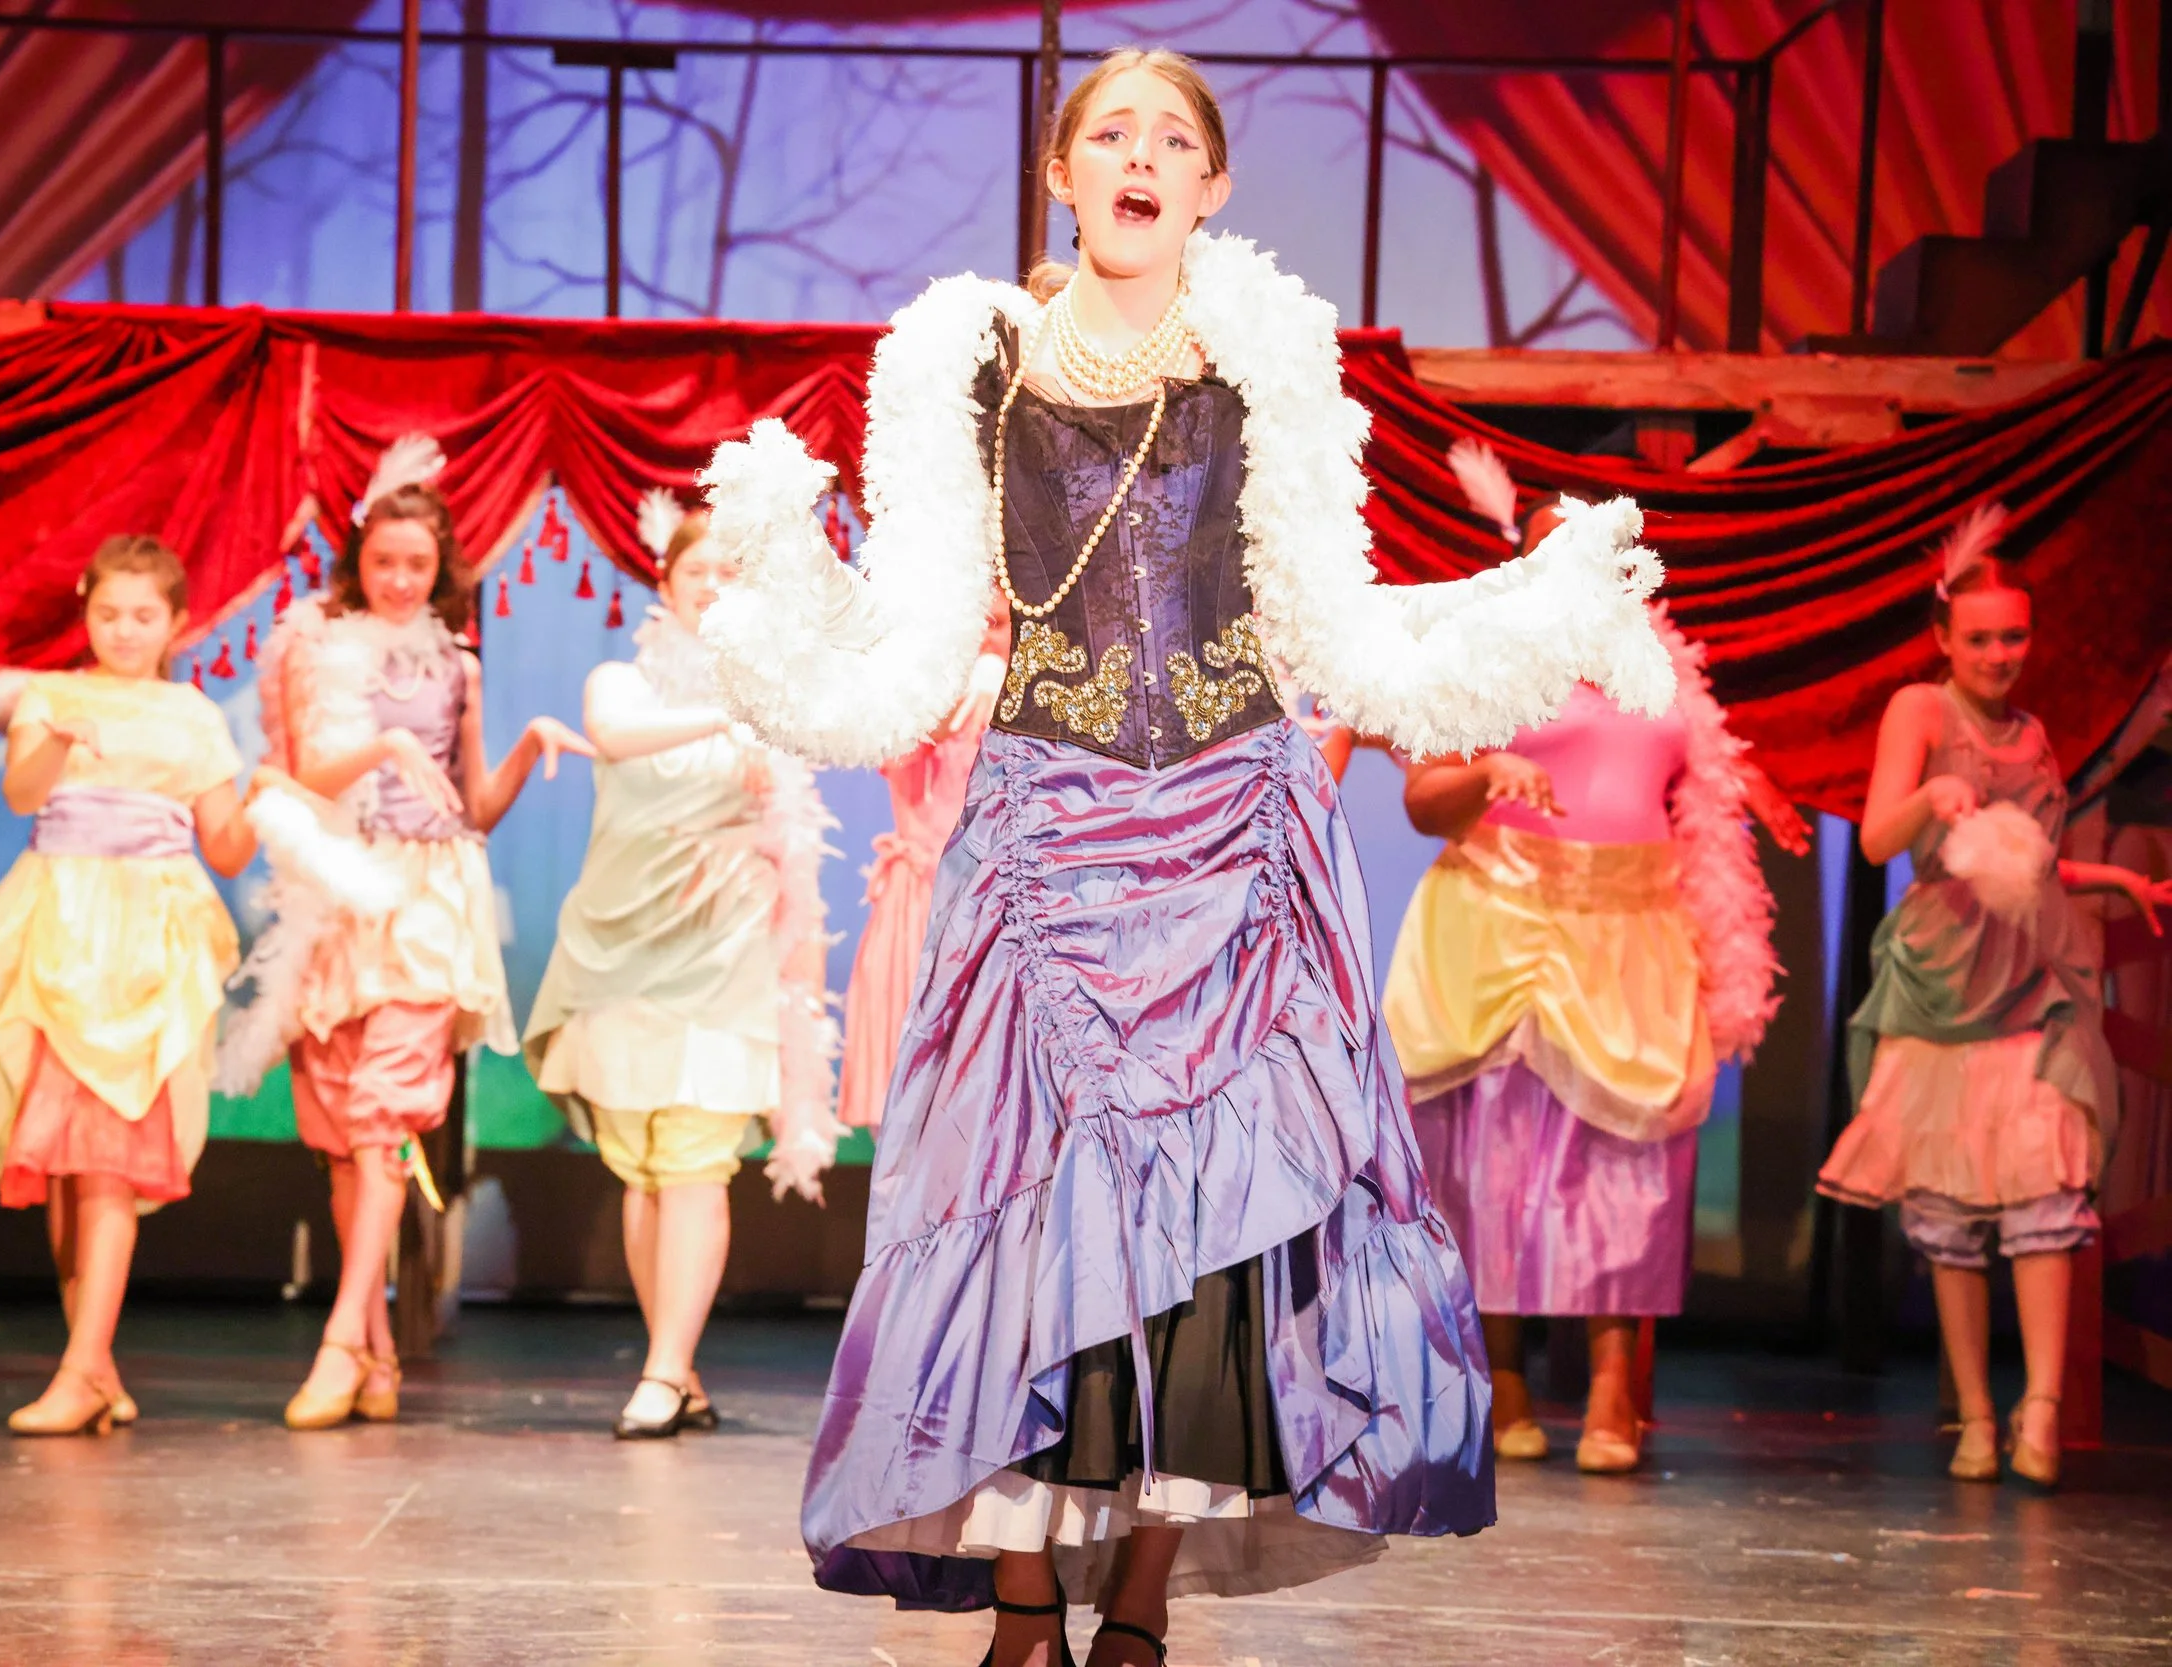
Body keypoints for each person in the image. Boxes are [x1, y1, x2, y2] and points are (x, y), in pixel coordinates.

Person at [695, 49, 1677, 1667]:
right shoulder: (969, 358)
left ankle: (1142, 1593)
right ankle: (1026, 1594)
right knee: (1030, 1213)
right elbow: (920, 638)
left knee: (1214, 1242)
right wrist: (782, 608)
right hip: (1046, 844)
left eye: (1174, 140)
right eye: (1112, 134)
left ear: (1212, 187)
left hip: (1234, 842)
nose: (1141, 157)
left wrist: (1527, 613)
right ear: (1063, 173)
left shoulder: (1265, 356)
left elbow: (1332, 624)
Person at [1383, 470, 1809, 1475]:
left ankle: (1615, 1386)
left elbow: (1696, 775)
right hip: (1501, 916)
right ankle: (1506, 1379)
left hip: (1632, 928)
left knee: (1628, 1168)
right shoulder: (1483, 661)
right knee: (1491, 1162)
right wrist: (1487, 772)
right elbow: (1424, 802)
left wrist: (1751, 792)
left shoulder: (1658, 663)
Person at [233, 448, 588, 1430]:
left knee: (384, 1120)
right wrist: (382, 745)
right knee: (346, 1140)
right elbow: (291, 778)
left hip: (428, 897)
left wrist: (529, 742)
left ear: (441, 569)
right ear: (358, 560)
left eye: (416, 565)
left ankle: (340, 1339)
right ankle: (379, 1349)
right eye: (383, 561)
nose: (398, 579)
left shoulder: (458, 665)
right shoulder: (311, 646)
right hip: (337, 889)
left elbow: (471, 806)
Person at [1817, 505, 2171, 1487]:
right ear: (1943, 638)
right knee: (1949, 1209)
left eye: (2013, 636)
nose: (1999, 655)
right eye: (1979, 638)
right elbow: (1878, 839)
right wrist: (1928, 796)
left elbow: (2032, 863)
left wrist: (2117, 880)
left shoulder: (2035, 733)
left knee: (2044, 1190)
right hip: (1941, 984)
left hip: (2027, 978)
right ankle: (1976, 1414)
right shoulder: (1920, 711)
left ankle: (2041, 1407)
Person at [523, 501, 839, 1442]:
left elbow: (796, 850)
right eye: (699, 570)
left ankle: (661, 1371)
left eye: (732, 573)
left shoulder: (776, 703)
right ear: (666, 581)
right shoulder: (621, 680)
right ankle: (680, 1365)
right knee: (646, 1170)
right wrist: (737, 710)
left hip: (723, 954)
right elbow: (616, 734)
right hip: (622, 952)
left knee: (698, 1159)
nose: (714, 586)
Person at [0, 535, 261, 1436]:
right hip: (60, 928)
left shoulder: (192, 714)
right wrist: (55, 738)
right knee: (60, 1162)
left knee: (107, 1157)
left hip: (147, 939)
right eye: (107, 613)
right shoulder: (51, 695)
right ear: (85, 610)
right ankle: (91, 1363)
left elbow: (226, 845)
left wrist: (270, 804)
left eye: (143, 616)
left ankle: (81, 1369)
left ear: (176, 622)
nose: (124, 631)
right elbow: (22, 795)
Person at [837, 606, 1008, 1131]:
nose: (985, 637)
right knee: (905, 1115)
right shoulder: (911, 684)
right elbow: (900, 736)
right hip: (923, 909)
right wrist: (977, 676)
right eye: (976, 620)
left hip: (1007, 914)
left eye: (997, 624)